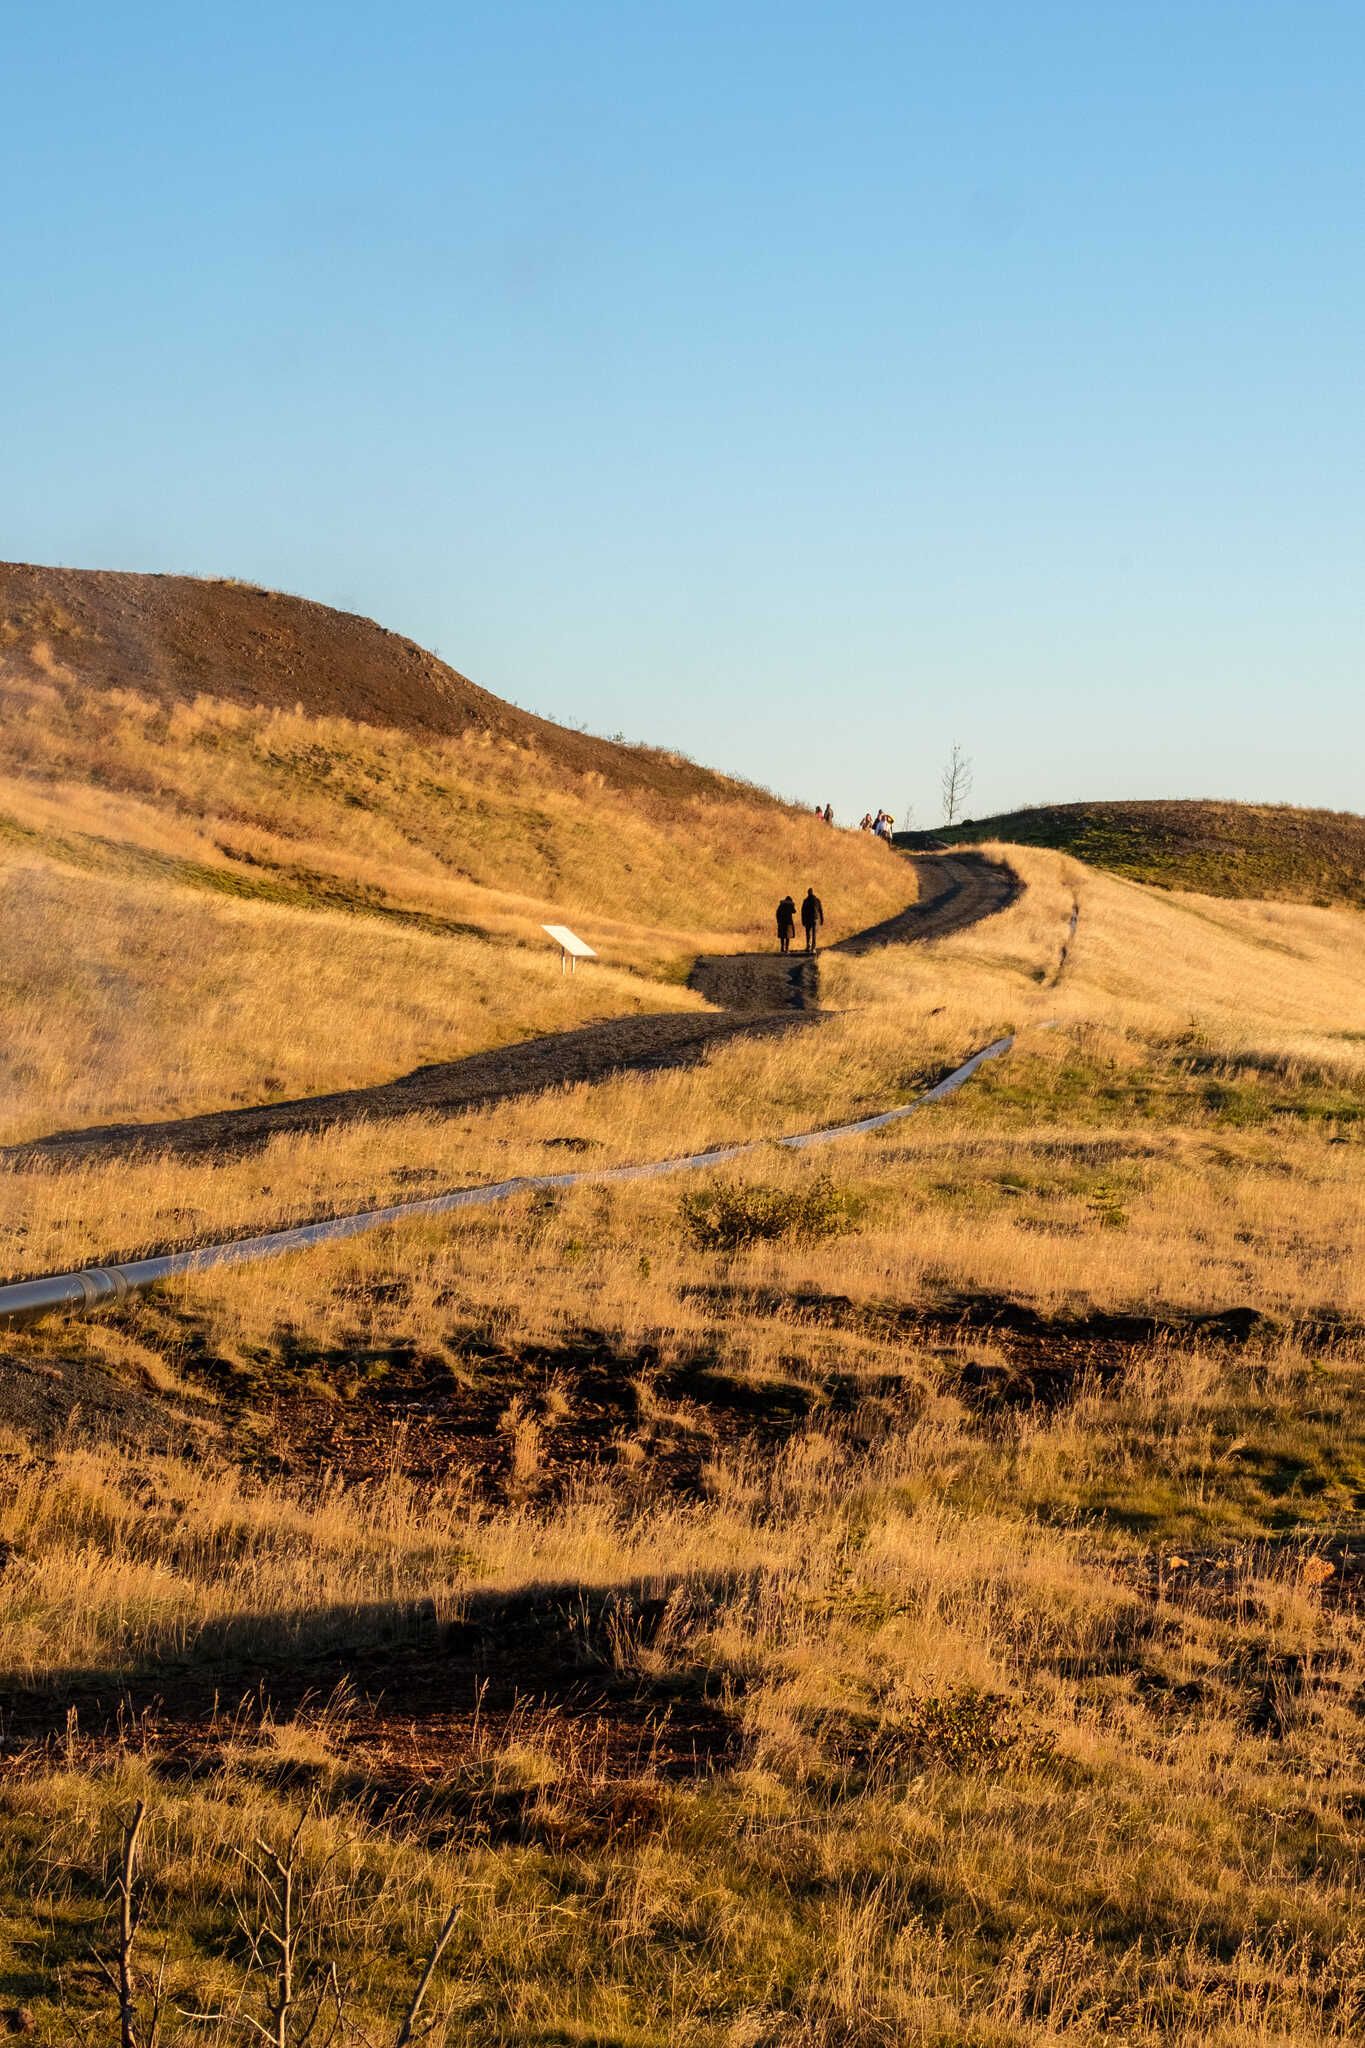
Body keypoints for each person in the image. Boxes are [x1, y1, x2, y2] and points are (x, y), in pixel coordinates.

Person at [801, 886, 824, 954]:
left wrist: (803, 920)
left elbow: (802, 911)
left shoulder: (805, 901)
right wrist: (822, 919)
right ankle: (813, 948)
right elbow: (820, 910)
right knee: (814, 934)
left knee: (808, 933)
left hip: (808, 919)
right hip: (815, 919)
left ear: (808, 893)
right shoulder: (817, 900)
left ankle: (808, 946)